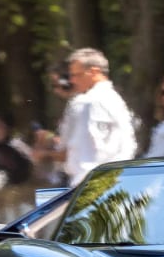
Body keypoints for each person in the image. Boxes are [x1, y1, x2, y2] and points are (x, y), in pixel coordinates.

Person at [55, 48, 138, 186]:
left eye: (77, 75)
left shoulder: (82, 103)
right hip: (117, 181)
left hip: (86, 184)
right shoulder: (117, 100)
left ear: (94, 72)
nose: (72, 80)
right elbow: (129, 146)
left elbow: (71, 149)